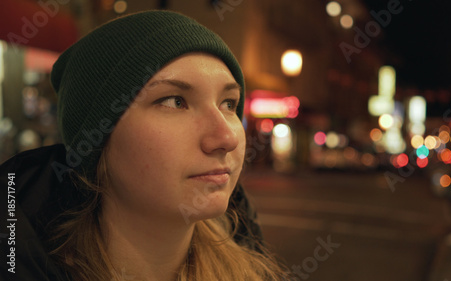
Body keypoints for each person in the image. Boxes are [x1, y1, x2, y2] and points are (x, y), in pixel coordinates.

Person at [0, 10, 286, 281]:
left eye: (229, 104)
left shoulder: (252, 268)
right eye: (175, 101)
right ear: (97, 139)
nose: (227, 138)